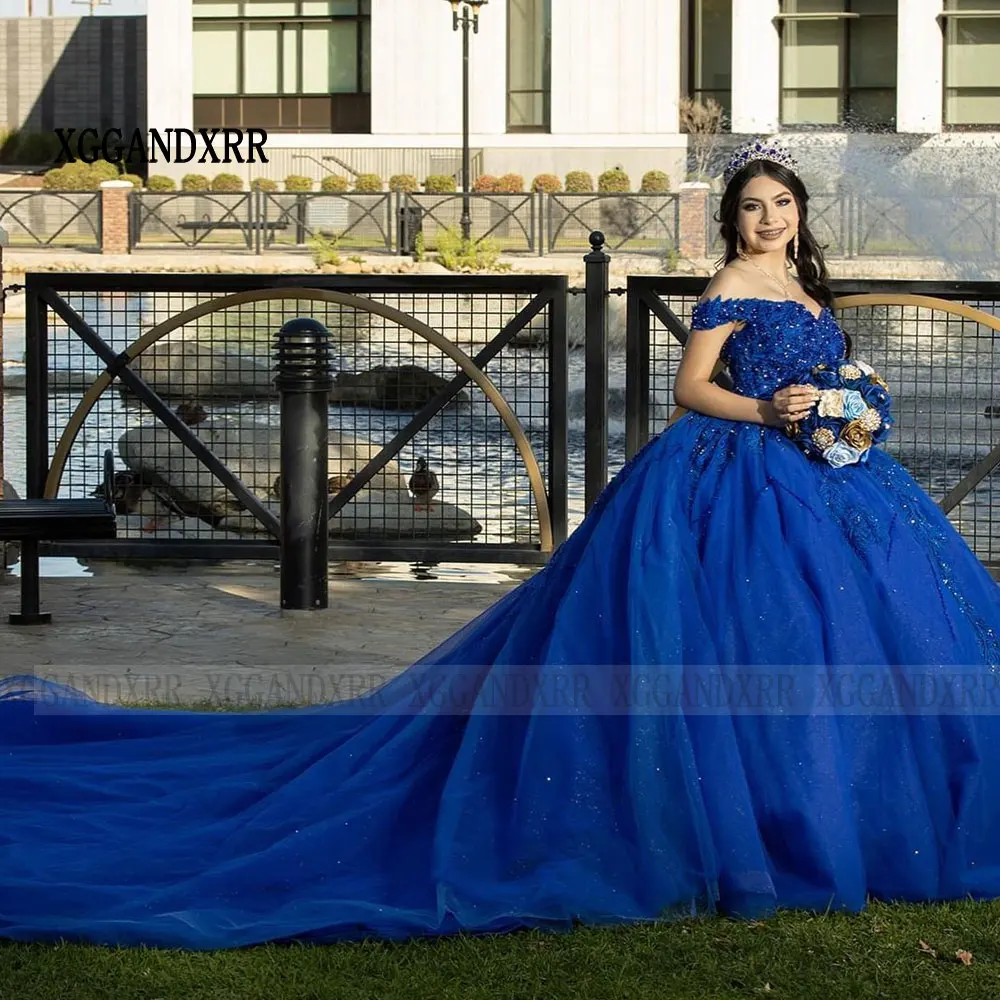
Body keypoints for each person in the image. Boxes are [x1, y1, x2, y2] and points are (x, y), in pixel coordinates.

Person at [3, 138, 1000, 952]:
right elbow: (689, 390)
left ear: (798, 212)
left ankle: (829, 798)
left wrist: (845, 403)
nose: (767, 219)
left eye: (780, 203)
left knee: (843, 634)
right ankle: (754, 813)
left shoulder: (803, 280)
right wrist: (770, 407)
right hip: (730, 470)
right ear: (734, 220)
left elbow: (832, 373)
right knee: (731, 633)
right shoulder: (734, 282)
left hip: (829, 483)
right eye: (752, 206)